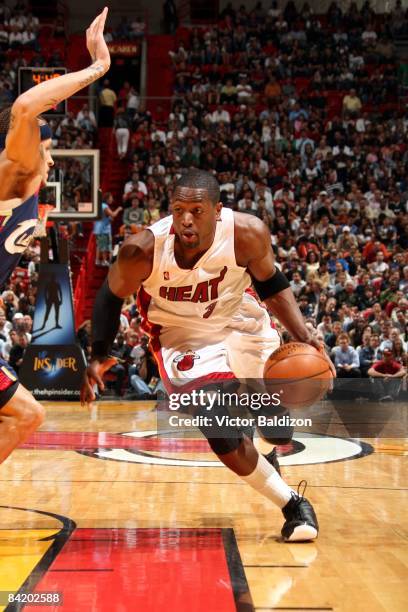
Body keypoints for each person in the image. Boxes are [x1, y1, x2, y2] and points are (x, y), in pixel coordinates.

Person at [82, 169, 335, 542]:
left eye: (197, 210)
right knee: (215, 418)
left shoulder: (247, 233)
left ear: (217, 210)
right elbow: (109, 295)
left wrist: (303, 334)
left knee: (278, 429)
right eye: (179, 209)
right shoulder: (143, 250)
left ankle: (263, 428)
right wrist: (98, 353)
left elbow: (271, 284)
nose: (186, 218)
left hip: (239, 318)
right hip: (183, 337)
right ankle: (292, 504)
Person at [0, 7, 111, 467]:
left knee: (24, 415)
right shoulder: (14, 174)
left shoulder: (29, 198)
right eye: (46, 149)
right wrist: (98, 68)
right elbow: (27, 107)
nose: (50, 161)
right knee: (26, 415)